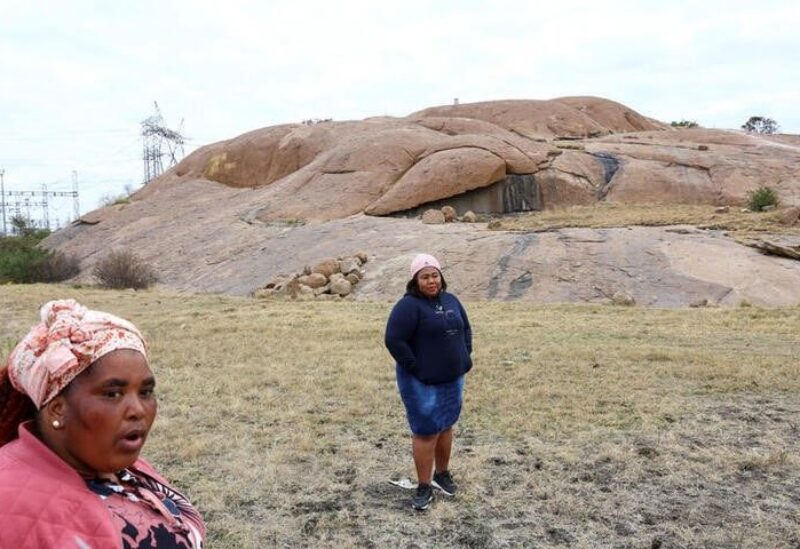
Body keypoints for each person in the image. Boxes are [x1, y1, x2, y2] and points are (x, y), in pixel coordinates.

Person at [0, 299, 206, 548]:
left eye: (145, 391)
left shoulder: (111, 461)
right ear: (58, 410)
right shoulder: (13, 508)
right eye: (112, 394)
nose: (138, 410)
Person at [384, 253, 473, 511]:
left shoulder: (451, 300)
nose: (431, 281)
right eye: (425, 277)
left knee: (446, 425)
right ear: (415, 280)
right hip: (421, 382)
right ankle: (424, 486)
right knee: (426, 430)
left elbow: (465, 329)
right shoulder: (409, 306)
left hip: (452, 378)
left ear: (441, 277)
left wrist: (464, 355)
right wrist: (416, 368)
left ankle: (442, 475)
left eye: (435, 275)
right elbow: (394, 340)